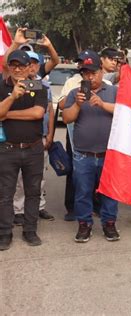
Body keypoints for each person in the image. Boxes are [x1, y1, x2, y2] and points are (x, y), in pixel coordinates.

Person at [62, 50, 120, 243]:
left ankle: (109, 223)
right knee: (82, 192)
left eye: (93, 72)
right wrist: (77, 105)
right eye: (86, 73)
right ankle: (84, 225)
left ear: (101, 71)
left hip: (108, 154)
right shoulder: (74, 93)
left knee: (109, 192)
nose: (90, 76)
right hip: (83, 155)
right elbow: (67, 118)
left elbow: (125, 112)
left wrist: (103, 104)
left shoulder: (113, 91)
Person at [0, 50, 48, 250]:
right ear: (8, 67)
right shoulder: (2, 87)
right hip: (8, 150)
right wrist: (11, 97)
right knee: (5, 194)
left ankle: (30, 230)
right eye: (13, 65)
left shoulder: (39, 88)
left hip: (34, 149)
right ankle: (4, 232)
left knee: (33, 192)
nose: (17, 69)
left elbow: (37, 113)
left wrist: (6, 114)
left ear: (30, 68)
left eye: (21, 65)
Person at [13, 51, 55, 226]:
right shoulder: (15, 85)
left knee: (39, 178)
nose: (31, 66)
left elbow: (50, 110)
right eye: (27, 63)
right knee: (19, 181)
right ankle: (19, 210)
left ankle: (39, 207)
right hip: (19, 141)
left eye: (34, 63)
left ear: (38, 65)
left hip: (41, 138)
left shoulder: (44, 86)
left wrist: (51, 133)